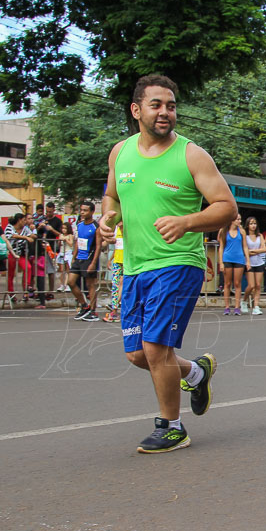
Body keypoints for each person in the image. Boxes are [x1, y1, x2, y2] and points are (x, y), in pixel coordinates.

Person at [99, 74, 237, 454]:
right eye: (156, 105)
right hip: (136, 266)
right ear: (136, 110)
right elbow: (110, 195)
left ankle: (172, 427)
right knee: (137, 354)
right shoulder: (120, 152)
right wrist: (107, 218)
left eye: (171, 106)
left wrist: (187, 221)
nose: (165, 112)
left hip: (178, 262)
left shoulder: (191, 154)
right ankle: (195, 371)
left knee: (155, 346)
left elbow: (226, 207)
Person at [68, 201, 102, 321]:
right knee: (71, 282)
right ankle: (84, 306)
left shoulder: (96, 227)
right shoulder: (79, 225)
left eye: (85, 210)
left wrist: (93, 263)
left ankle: (92, 311)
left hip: (89, 259)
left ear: (92, 212)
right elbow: (78, 241)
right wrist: (74, 256)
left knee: (90, 284)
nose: (82, 212)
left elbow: (98, 246)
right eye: (81, 210)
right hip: (79, 259)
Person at [217, 214, 249, 315]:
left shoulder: (242, 231)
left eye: (240, 219)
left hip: (239, 259)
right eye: (237, 219)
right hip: (227, 258)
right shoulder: (224, 231)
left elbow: (245, 247)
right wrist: (221, 262)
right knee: (227, 283)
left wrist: (247, 260)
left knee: (237, 283)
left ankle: (237, 307)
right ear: (231, 220)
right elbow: (221, 247)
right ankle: (227, 307)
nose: (239, 221)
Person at [243, 217, 266, 314]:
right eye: (251, 223)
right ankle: (244, 301)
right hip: (249, 262)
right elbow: (245, 250)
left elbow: (264, 248)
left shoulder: (259, 235)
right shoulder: (245, 236)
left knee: (258, 285)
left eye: (255, 223)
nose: (253, 225)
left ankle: (256, 305)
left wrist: (253, 251)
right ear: (247, 225)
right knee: (251, 285)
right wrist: (252, 252)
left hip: (259, 262)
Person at [103, 224, 125, 322]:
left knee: (122, 283)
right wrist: (110, 260)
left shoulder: (129, 228)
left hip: (127, 261)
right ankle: (114, 310)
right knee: (115, 285)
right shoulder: (116, 229)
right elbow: (117, 247)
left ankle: (114, 308)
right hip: (117, 261)